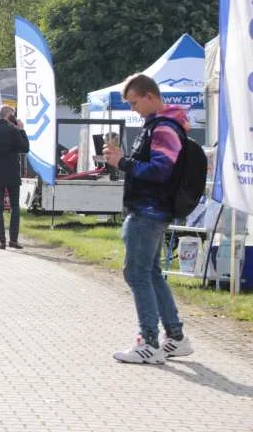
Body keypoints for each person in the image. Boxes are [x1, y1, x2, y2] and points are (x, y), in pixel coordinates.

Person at [104, 73, 193, 364]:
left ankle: (149, 341)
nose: (133, 110)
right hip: (153, 209)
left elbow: (160, 170)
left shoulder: (164, 128)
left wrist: (123, 162)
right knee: (150, 272)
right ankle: (175, 337)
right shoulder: (164, 125)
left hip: (149, 210)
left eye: (134, 103)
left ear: (150, 97)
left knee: (138, 273)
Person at [0, 105, 30, 250]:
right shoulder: (14, 131)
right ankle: (13, 240)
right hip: (13, 173)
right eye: (13, 115)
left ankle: (1, 241)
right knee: (15, 207)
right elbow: (25, 148)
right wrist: (22, 131)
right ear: (9, 116)